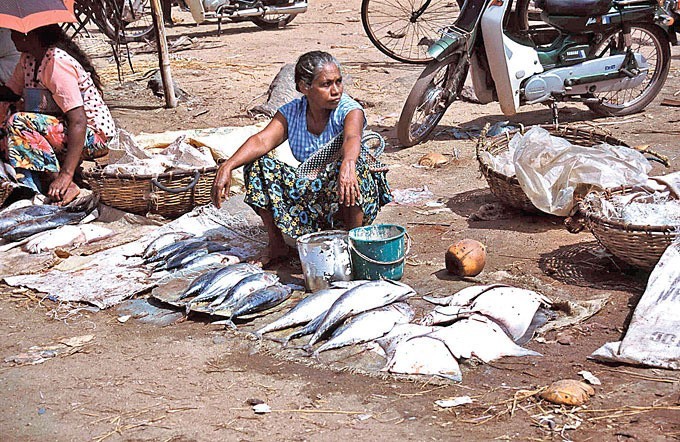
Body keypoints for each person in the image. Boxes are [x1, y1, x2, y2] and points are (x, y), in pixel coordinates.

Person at [211, 51, 392, 268]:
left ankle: (353, 245)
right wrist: (228, 166)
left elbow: (352, 137)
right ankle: (277, 245)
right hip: (311, 198)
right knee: (258, 164)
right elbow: (261, 141)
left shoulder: (350, 109)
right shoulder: (292, 112)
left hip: (347, 196)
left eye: (338, 82)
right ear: (304, 87)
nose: (336, 91)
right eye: (326, 84)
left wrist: (348, 164)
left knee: (354, 166)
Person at [0, 25, 115, 206]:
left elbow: (78, 120)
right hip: (60, 130)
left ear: (29, 35)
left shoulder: (56, 63)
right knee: (5, 123)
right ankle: (26, 183)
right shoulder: (28, 59)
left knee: (18, 123)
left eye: (15, 32)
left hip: (91, 135)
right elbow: (10, 94)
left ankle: (65, 183)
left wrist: (65, 174)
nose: (11, 37)